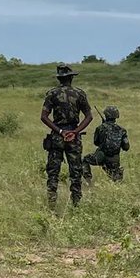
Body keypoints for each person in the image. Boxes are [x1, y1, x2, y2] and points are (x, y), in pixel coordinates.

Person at [41, 63, 93, 207]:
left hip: (57, 136)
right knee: (76, 172)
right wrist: (75, 132)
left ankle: (51, 205)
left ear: (59, 79)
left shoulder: (52, 93)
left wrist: (60, 131)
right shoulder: (80, 93)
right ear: (71, 77)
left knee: (53, 172)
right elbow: (89, 116)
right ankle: (76, 205)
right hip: (74, 137)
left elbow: (44, 117)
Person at [83, 105, 129, 182]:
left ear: (106, 115)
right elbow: (126, 147)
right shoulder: (122, 130)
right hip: (114, 158)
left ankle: (88, 180)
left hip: (101, 156)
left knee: (85, 160)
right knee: (115, 178)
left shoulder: (100, 128)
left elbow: (96, 142)